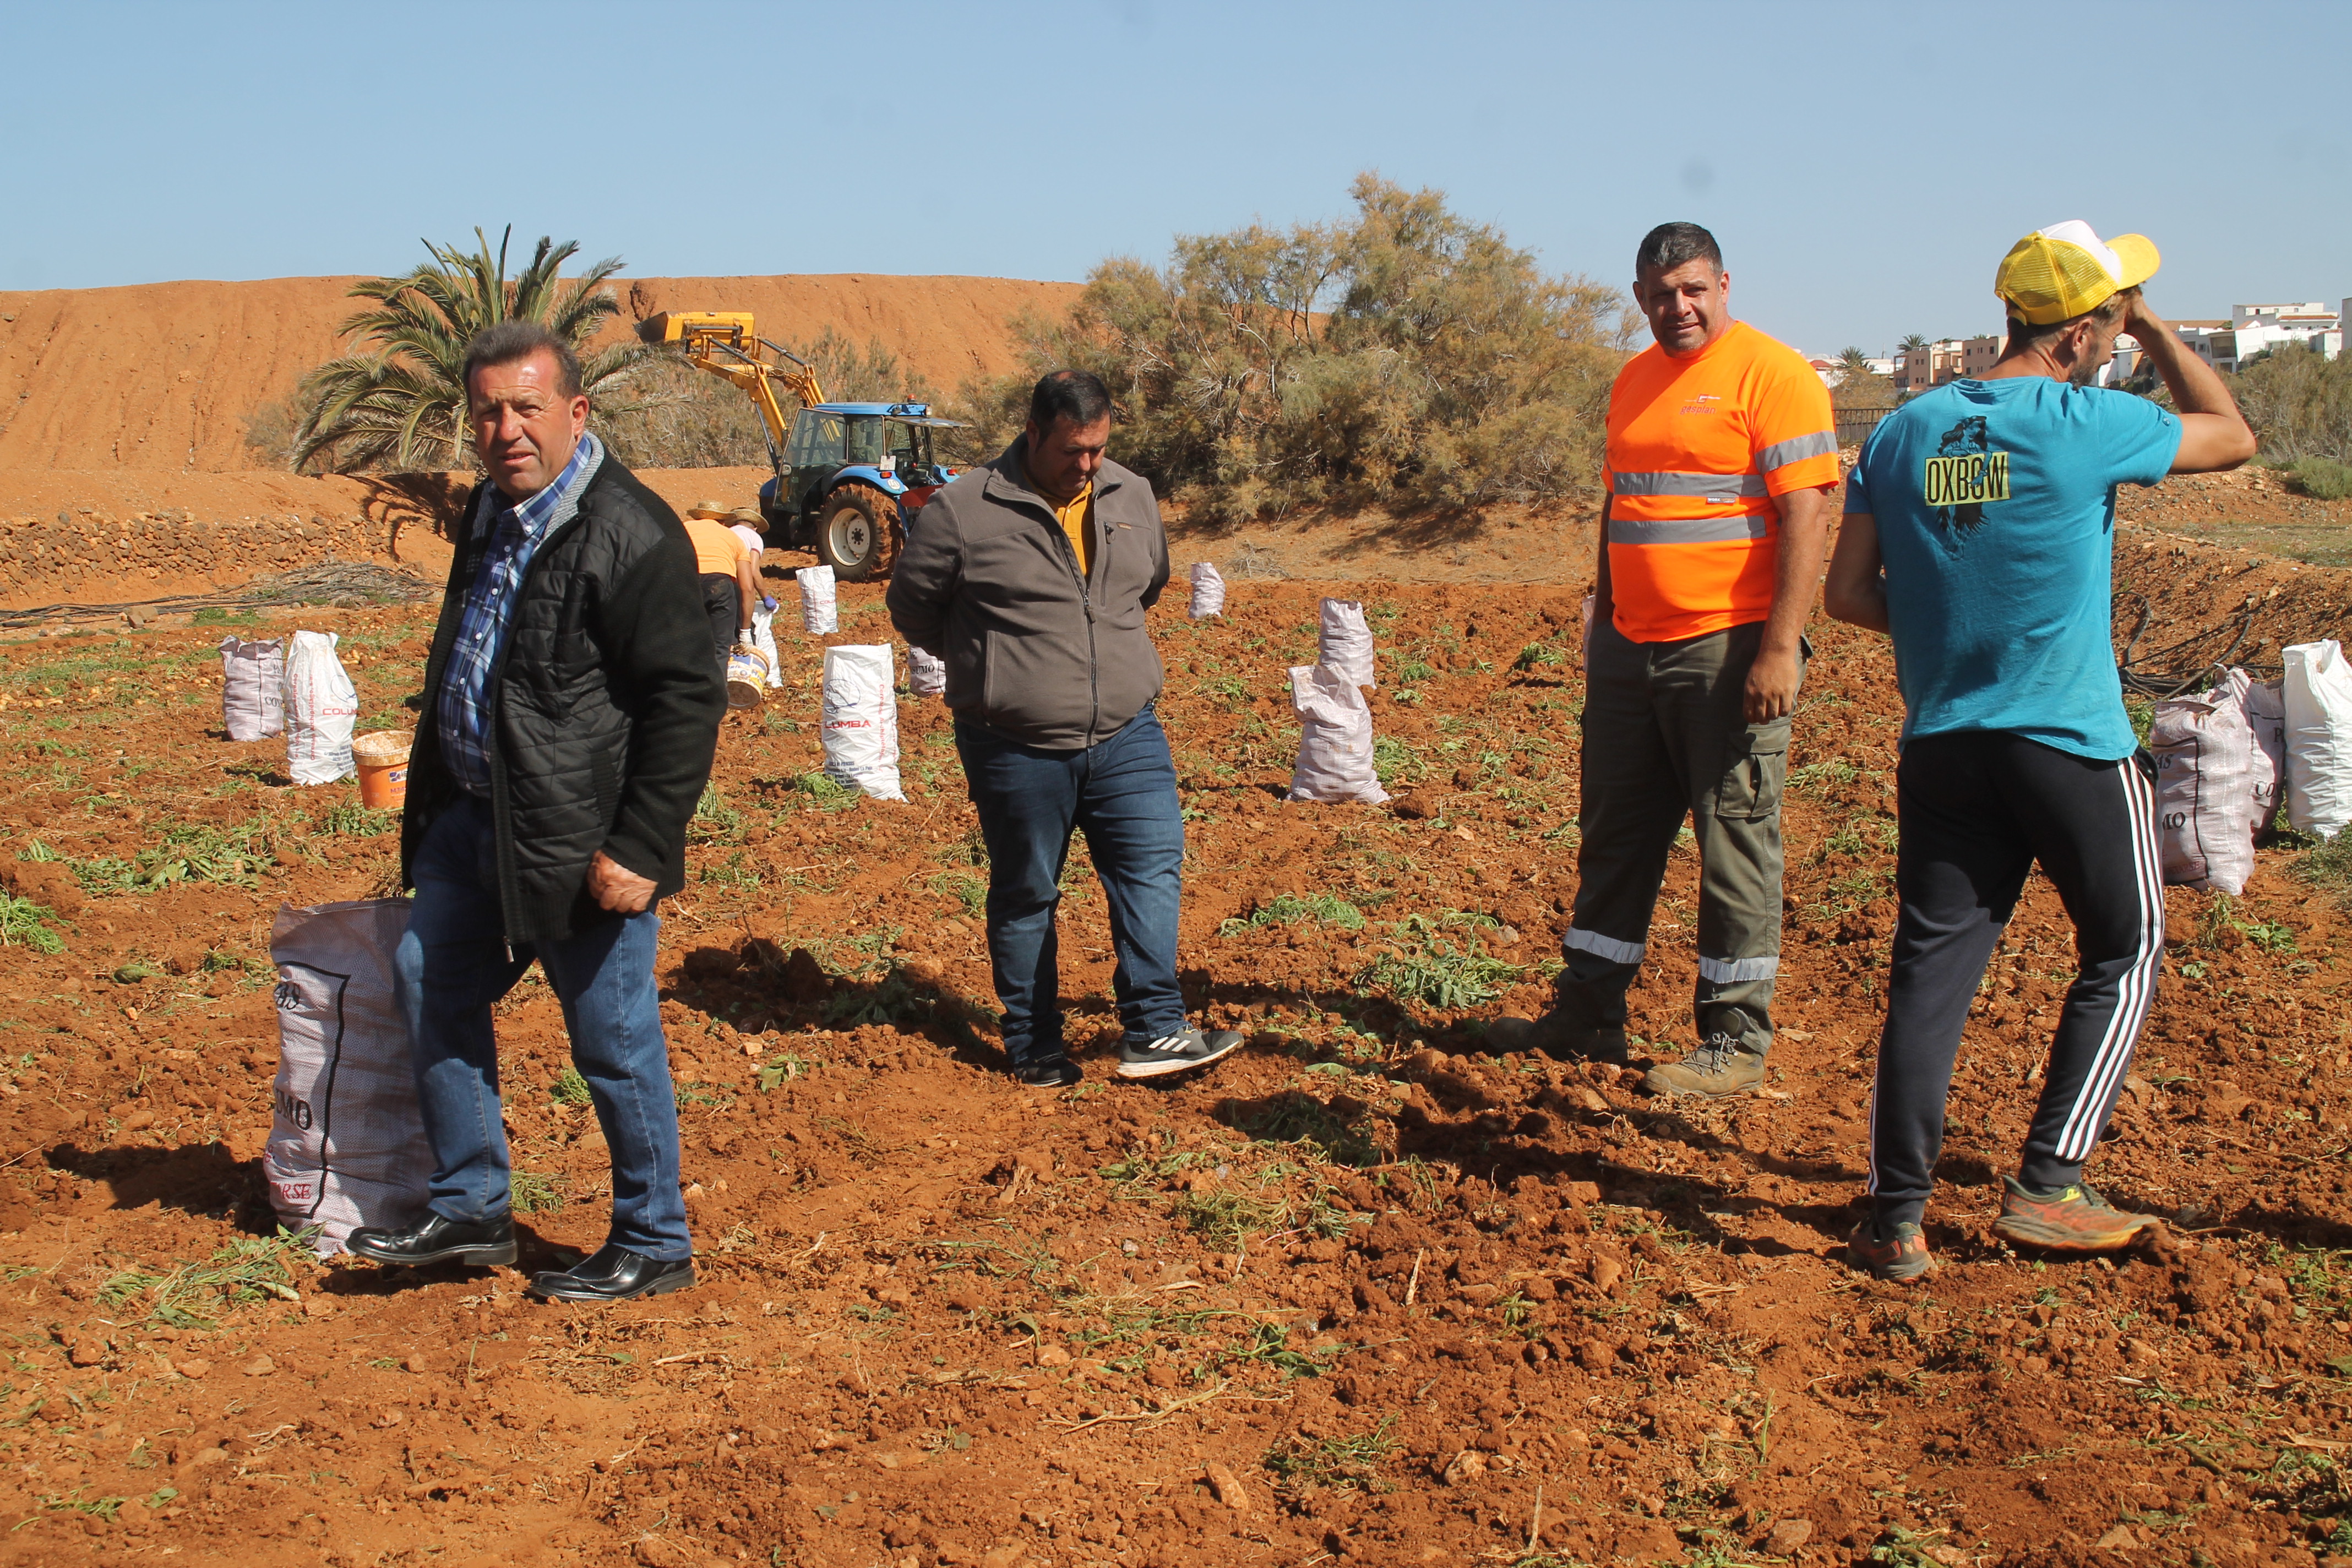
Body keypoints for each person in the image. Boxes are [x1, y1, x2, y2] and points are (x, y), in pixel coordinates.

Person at [1824, 221, 2256, 1280]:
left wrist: (1951, 627)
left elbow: (1844, 595)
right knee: (2127, 940)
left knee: (1930, 975)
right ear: (2079, 333)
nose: (2113, 339)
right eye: (2108, 323)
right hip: (2065, 739)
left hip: (1942, 745)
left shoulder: (1900, 433)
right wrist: (2152, 322)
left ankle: (1893, 1215)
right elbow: (2229, 431)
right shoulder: (2085, 420)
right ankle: (2048, 1184)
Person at [349, 320, 727, 1303]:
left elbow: (685, 699)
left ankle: (655, 1236)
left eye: (526, 407)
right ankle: (471, 1205)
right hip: (472, 819)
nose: (507, 429)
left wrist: (641, 842)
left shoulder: (631, 531)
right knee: (430, 978)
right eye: (488, 411)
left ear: (574, 411)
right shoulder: (489, 509)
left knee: (611, 1038)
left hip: (579, 839)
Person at [1488, 222, 1839, 1098]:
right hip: (1629, 650)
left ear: (1724, 284)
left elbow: (1809, 516)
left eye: (1692, 289)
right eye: (1658, 294)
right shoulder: (1635, 381)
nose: (1676, 308)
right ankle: (1588, 1016)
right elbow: (1623, 505)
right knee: (1615, 835)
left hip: (1726, 647)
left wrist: (1780, 648)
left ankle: (1733, 1039)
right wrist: (1601, 616)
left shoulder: (1774, 376)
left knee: (1735, 846)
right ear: (1639, 296)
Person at [887, 369, 1242, 1087]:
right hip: (1014, 745)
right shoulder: (963, 510)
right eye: (1072, 451)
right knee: (1028, 893)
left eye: (1098, 449)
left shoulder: (1131, 495)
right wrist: (997, 670)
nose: (1087, 465)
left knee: (1152, 869)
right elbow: (913, 610)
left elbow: (1150, 582)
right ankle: (1034, 1043)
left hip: (1127, 731)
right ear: (1034, 433)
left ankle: (1155, 1029)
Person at [681, 507, 759, 672]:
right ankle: (717, 695)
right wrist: (745, 632)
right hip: (720, 585)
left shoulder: (684, 528)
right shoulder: (732, 536)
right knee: (721, 649)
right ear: (723, 522)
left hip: (687, 582)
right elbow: (747, 588)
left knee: (684, 644)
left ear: (697, 518)